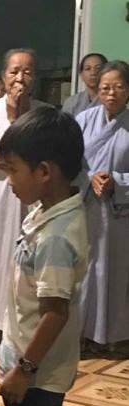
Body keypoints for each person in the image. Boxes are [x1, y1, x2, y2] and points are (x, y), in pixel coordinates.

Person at [0, 106, 88, 406]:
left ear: (44, 172)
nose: (9, 181)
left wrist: (24, 371)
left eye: (12, 170)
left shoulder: (56, 237)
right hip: (26, 362)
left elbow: (55, 313)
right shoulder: (48, 210)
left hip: (37, 375)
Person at [0, 48, 49, 359]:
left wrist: (1, 159)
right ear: (4, 76)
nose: (20, 78)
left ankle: (26, 337)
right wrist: (9, 156)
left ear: (35, 77)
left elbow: (42, 158)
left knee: (28, 263)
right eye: (14, 71)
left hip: (31, 200)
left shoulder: (44, 114)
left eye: (27, 71)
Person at [76, 60, 129, 352]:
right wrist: (89, 177)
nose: (111, 94)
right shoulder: (83, 120)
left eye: (119, 87)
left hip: (118, 212)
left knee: (114, 272)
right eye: (106, 87)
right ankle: (80, 334)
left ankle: (111, 336)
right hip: (86, 206)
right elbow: (70, 162)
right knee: (84, 271)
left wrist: (116, 181)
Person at [63, 53, 107, 118]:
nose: (93, 73)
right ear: (81, 74)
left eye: (98, 68)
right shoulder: (72, 102)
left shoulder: (111, 99)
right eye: (88, 69)